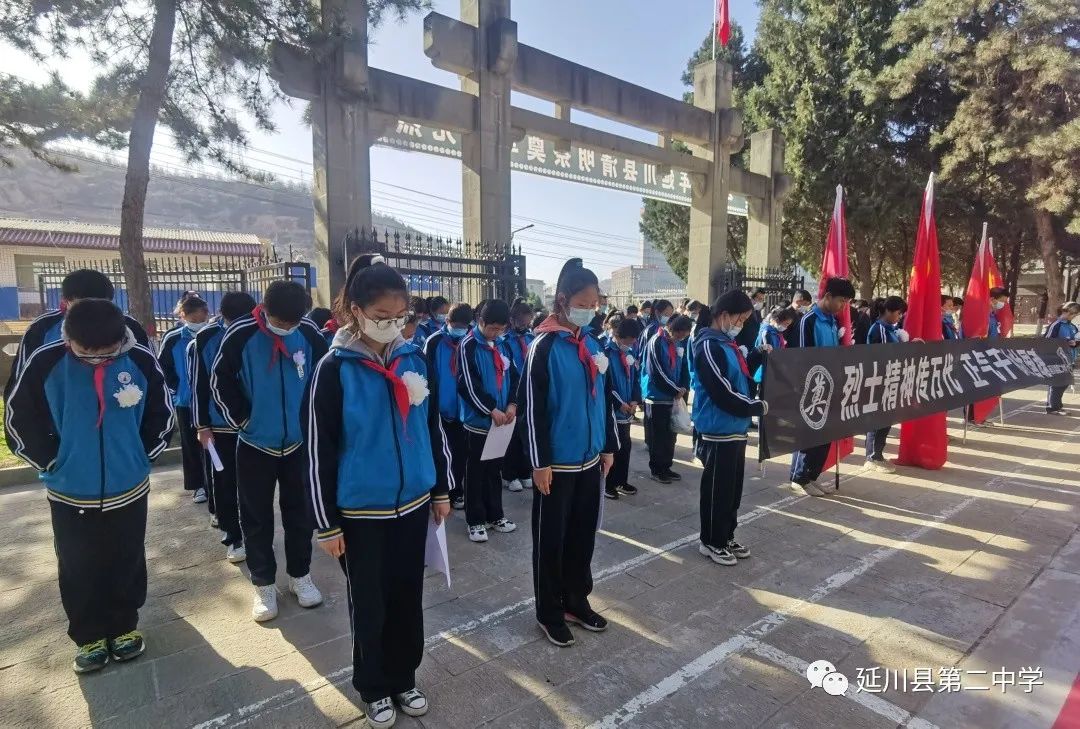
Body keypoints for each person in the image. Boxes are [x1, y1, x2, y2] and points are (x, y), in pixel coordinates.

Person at [305, 254, 452, 729]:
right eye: (382, 317)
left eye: (400, 317)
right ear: (355, 311)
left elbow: (434, 429)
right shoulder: (335, 368)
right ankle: (372, 686)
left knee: (408, 595)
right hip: (360, 513)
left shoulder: (415, 356)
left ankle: (405, 676)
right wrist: (326, 523)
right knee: (369, 602)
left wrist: (441, 489)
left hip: (412, 506)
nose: (393, 326)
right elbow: (318, 451)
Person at [5, 299, 173, 673]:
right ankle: (89, 635)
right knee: (77, 563)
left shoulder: (141, 360)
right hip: (69, 490)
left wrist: (140, 457)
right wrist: (53, 461)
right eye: (86, 353)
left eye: (106, 353)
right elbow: (19, 419)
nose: (97, 359)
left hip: (129, 487)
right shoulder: (46, 362)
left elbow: (162, 413)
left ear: (121, 339)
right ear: (70, 338)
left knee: (126, 557)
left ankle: (124, 626)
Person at [211, 280, 328, 622]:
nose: (288, 328)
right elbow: (220, 381)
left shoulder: (308, 333)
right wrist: (243, 420)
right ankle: (263, 583)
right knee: (256, 516)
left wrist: (314, 422)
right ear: (264, 309)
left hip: (299, 444)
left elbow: (324, 378)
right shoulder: (240, 334)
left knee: (300, 514)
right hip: (254, 443)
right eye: (281, 321)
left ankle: (300, 576)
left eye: (294, 322)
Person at [521, 258, 619, 647]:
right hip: (556, 466)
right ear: (562, 300)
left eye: (596, 303)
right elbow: (532, 409)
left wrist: (609, 446)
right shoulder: (542, 347)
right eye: (584, 302)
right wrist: (539, 462)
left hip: (590, 460)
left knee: (582, 537)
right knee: (551, 540)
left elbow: (604, 401)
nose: (591, 309)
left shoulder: (592, 343)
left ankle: (576, 600)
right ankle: (549, 611)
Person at [691, 291, 768, 566]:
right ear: (724, 315)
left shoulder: (727, 344)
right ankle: (711, 540)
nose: (742, 325)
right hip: (717, 429)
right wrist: (754, 407)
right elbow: (721, 391)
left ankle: (726, 535)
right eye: (740, 318)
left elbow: (741, 379)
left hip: (735, 429)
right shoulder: (708, 346)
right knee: (717, 490)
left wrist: (758, 356)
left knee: (733, 490)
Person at [4, 269, 150, 397]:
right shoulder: (42, 328)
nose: (93, 311)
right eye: (83, 304)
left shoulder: (130, 327)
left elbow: (151, 373)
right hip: (59, 416)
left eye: (101, 303)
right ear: (66, 301)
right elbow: (21, 382)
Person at [191, 291, 257, 563]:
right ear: (224, 318)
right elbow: (198, 384)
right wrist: (201, 425)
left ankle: (254, 534)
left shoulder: (259, 332)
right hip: (220, 428)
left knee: (253, 487)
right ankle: (233, 535)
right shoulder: (206, 338)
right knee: (224, 482)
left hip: (254, 426)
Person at [789, 277, 856, 496]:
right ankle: (799, 478)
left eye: (846, 302)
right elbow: (800, 356)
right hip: (811, 388)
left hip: (829, 387)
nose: (843, 306)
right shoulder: (808, 320)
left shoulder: (833, 321)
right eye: (841, 301)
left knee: (824, 437)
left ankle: (811, 476)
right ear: (827, 296)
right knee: (809, 435)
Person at [458, 299, 518, 542]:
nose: (496, 332)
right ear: (480, 321)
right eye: (492, 328)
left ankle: (496, 515)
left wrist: (513, 403)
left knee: (494, 470)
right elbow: (468, 385)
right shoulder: (468, 345)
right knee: (474, 473)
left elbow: (514, 376)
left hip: (501, 423)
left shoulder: (503, 345)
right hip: (478, 423)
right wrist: (490, 409)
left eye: (501, 328)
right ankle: (475, 520)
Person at [159, 295, 211, 504]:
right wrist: (177, 388)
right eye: (193, 319)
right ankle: (197, 485)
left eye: (201, 319)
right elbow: (164, 367)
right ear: (183, 316)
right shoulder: (173, 338)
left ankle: (213, 482)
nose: (198, 323)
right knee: (190, 445)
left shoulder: (212, 334)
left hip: (210, 401)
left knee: (211, 445)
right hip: (186, 401)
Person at [424, 303, 473, 510]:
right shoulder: (434, 342)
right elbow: (426, 373)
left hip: (463, 410)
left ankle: (457, 491)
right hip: (440, 410)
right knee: (442, 452)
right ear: (447, 321)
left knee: (461, 453)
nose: (460, 329)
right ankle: (440, 490)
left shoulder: (470, 341)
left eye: (464, 325)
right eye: (456, 324)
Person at [642, 314, 692, 484]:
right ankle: (656, 469)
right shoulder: (656, 341)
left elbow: (684, 366)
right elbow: (656, 371)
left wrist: (684, 387)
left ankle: (666, 466)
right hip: (657, 397)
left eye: (684, 336)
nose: (681, 338)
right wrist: (674, 389)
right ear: (672, 329)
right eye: (680, 334)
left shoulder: (677, 343)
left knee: (671, 434)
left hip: (673, 397)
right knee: (658, 436)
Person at [864, 296, 909, 472]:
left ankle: (878, 454)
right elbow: (885, 356)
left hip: (890, 381)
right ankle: (872, 457)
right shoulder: (880, 330)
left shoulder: (890, 329)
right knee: (878, 420)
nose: (899, 317)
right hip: (881, 382)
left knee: (886, 420)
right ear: (888, 311)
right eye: (898, 313)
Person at [604, 319, 642, 499]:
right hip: (613, 410)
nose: (632, 343)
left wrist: (635, 400)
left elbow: (635, 378)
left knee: (625, 447)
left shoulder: (631, 353)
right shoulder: (605, 353)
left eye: (634, 339)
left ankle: (621, 480)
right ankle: (607, 484)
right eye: (629, 340)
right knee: (612, 448)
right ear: (618, 336)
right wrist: (620, 403)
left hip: (627, 410)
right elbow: (606, 385)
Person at [501, 298, 535, 492]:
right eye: (521, 322)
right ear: (512, 320)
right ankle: (509, 474)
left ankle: (524, 471)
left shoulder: (531, 339)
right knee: (511, 437)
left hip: (529, 392)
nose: (524, 325)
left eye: (527, 322)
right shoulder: (505, 341)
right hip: (512, 392)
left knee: (526, 434)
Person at [1044, 302, 1080, 415]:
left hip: (1069, 359)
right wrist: (1064, 342)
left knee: (1064, 383)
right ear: (1067, 312)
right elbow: (1046, 341)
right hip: (1056, 358)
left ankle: (1058, 406)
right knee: (1056, 383)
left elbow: (1075, 341)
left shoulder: (1072, 326)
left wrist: (1075, 343)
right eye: (1073, 314)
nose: (1074, 317)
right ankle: (1052, 407)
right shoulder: (1056, 324)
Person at [753, 306, 799, 385]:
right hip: (766, 369)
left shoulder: (777, 332)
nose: (786, 327)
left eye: (788, 325)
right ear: (777, 320)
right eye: (786, 324)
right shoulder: (767, 332)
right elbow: (767, 354)